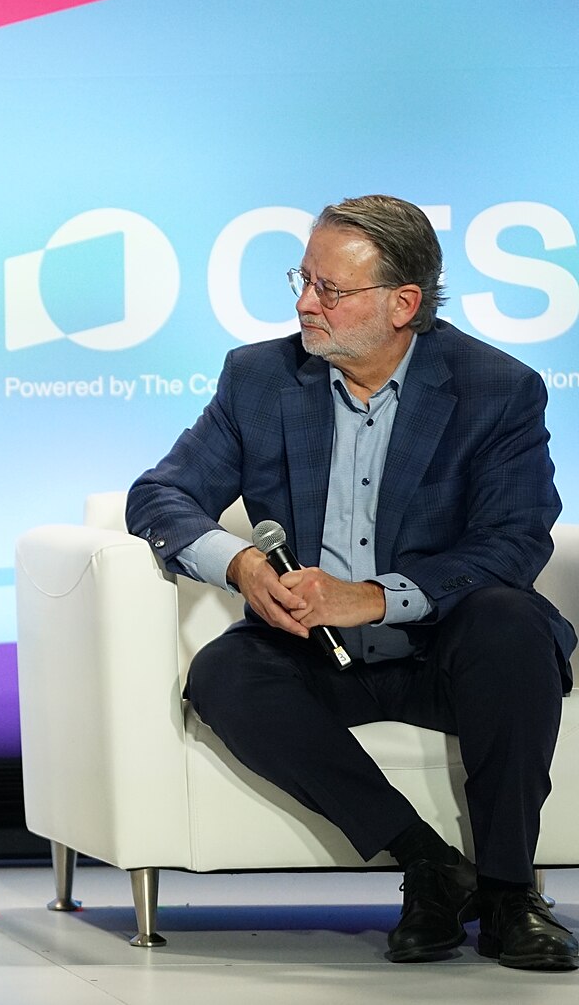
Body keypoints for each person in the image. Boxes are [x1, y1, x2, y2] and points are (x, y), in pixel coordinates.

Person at [127, 194, 577, 970]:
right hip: (320, 653)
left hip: (449, 650)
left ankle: (508, 895)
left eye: (329, 290)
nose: (306, 302)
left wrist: (372, 595)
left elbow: (513, 541)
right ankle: (429, 863)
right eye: (302, 280)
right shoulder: (260, 378)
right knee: (225, 671)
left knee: (511, 623)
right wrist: (237, 563)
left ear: (403, 303)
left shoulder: (496, 388)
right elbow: (159, 495)